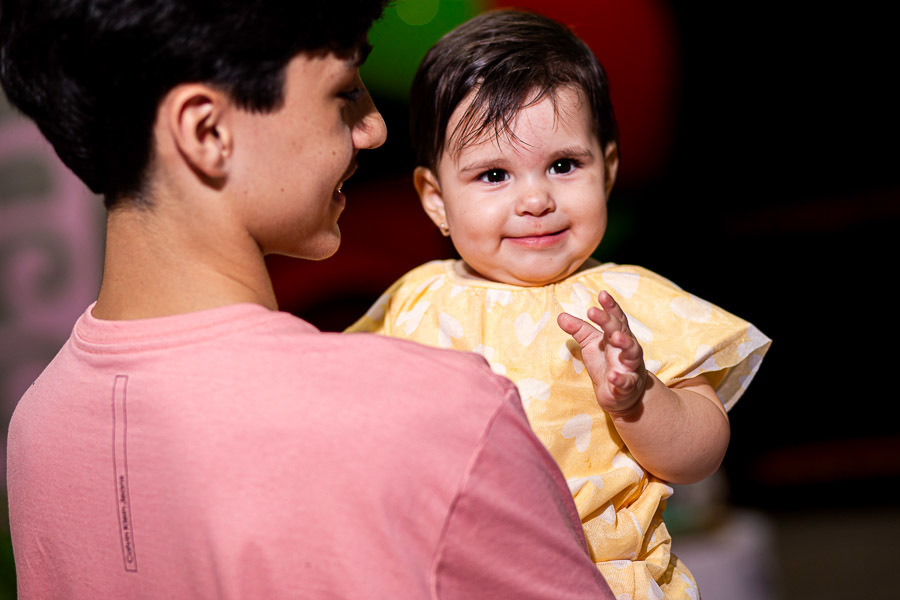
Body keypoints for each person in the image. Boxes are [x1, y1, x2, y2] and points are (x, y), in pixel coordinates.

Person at [0, 2, 616, 598]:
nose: (374, 129)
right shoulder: (439, 412)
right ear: (206, 130)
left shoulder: (38, 427)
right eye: (345, 91)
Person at [348, 9, 772, 599]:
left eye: (564, 165)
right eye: (494, 175)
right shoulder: (415, 300)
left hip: (598, 577)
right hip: (447, 578)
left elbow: (700, 452)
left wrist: (639, 397)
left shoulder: (631, 302)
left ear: (609, 170)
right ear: (436, 199)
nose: (535, 199)